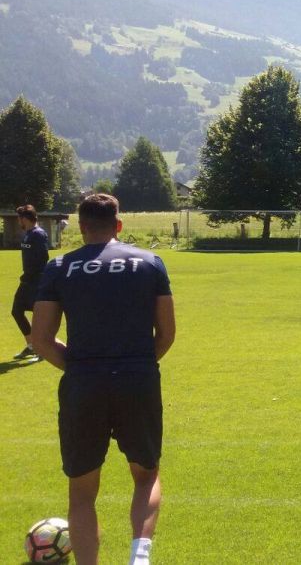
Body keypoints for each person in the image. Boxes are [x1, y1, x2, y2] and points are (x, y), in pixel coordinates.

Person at [29, 194, 176, 565]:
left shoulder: (59, 267)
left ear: (81, 227)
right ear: (119, 225)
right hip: (138, 379)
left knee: (81, 492)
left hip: (83, 384)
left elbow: (40, 339)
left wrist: (80, 366)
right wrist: (136, 363)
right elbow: (166, 333)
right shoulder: (150, 263)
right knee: (146, 476)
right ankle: (139, 558)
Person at [12, 204, 48, 361]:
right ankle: (32, 346)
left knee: (38, 316)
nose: (18, 221)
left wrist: (37, 278)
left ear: (25, 218)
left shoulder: (38, 234)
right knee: (17, 311)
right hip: (26, 280)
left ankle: (42, 351)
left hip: (36, 281)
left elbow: (43, 257)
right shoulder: (28, 234)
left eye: (19, 218)